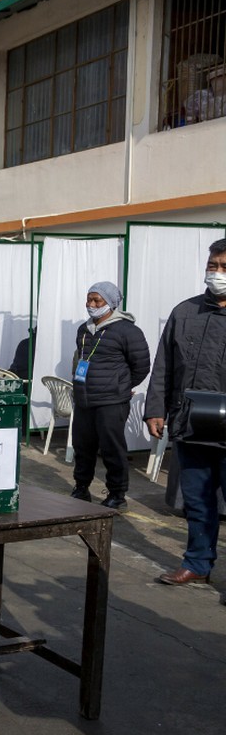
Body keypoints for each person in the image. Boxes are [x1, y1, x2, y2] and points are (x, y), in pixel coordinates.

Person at [145, 239, 226, 589]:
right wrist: (155, 410)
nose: (217, 273)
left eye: (224, 267)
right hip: (191, 425)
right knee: (196, 501)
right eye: (213, 265)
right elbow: (164, 366)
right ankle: (197, 562)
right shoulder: (185, 312)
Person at [68, 282, 149, 510]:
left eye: (97, 300)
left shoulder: (127, 331)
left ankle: (117, 494)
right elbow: (79, 360)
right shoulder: (84, 330)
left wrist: (122, 386)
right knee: (82, 447)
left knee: (112, 448)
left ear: (111, 303)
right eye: (89, 299)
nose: (91, 305)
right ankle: (81, 487)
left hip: (111, 401)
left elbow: (141, 366)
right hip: (85, 399)